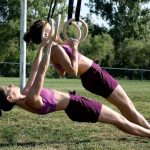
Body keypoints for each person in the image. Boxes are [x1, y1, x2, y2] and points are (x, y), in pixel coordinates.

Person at [0, 38, 150, 138]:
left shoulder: (26, 93)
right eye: (8, 88)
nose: (11, 84)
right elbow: (41, 71)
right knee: (120, 119)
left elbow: (34, 69)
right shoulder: (31, 99)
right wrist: (48, 49)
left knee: (119, 119)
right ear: (9, 98)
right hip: (78, 106)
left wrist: (41, 46)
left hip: (75, 104)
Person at [23, 19, 150, 130]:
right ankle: (147, 130)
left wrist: (68, 51)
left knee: (125, 107)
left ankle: (144, 130)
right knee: (128, 106)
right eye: (49, 26)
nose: (53, 27)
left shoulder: (51, 50)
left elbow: (62, 72)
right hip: (95, 75)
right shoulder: (56, 49)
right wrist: (75, 49)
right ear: (46, 33)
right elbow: (72, 71)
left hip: (90, 78)